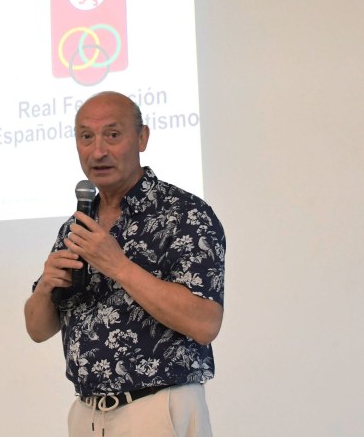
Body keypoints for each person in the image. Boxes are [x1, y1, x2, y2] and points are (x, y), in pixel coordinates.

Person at [24, 91, 225, 436]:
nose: (98, 151)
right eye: (86, 137)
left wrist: (118, 266)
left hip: (158, 409)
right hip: (88, 414)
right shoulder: (77, 226)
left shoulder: (185, 214)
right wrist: (45, 287)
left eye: (113, 135)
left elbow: (205, 323)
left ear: (142, 138)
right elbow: (37, 330)